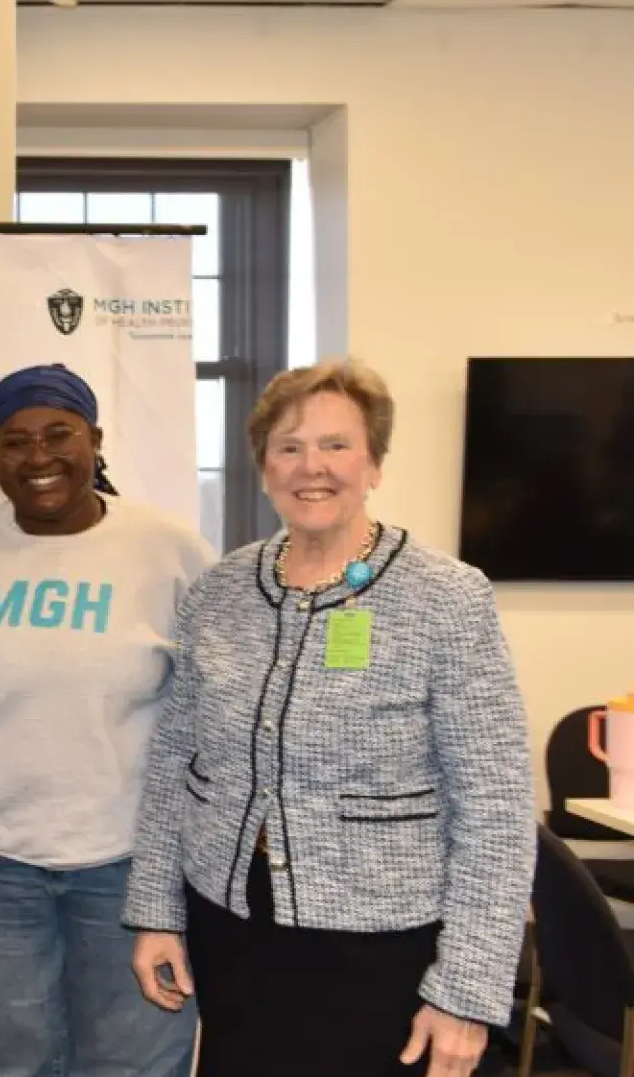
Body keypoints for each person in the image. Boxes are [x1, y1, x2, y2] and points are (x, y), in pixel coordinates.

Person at [122, 359, 535, 1077]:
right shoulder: (220, 593)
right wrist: (157, 908)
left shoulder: (447, 598)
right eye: (289, 447)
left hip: (381, 951)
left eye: (337, 445)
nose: (312, 466)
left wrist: (466, 992)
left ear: (374, 463)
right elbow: (174, 763)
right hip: (234, 933)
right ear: (263, 468)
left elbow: (495, 808)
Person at [0, 364, 212, 1077]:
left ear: (95, 439)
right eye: (14, 441)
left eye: (58, 435)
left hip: (132, 863)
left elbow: (209, 715)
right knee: (18, 1060)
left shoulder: (170, 552)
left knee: (134, 1060)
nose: (38, 457)